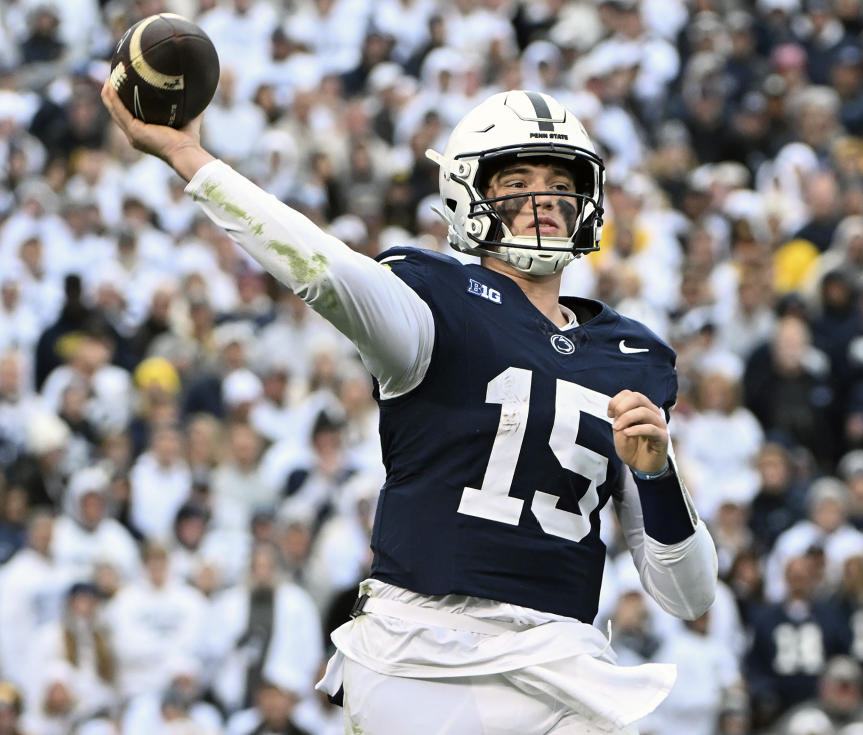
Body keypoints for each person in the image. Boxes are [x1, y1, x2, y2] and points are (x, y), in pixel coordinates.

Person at [101, 83, 717, 734]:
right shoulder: (433, 302)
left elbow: (688, 594)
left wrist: (657, 473)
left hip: (559, 656)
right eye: (517, 178)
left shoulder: (631, 354)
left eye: (559, 180)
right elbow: (322, 268)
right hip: (420, 649)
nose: (545, 197)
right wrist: (192, 159)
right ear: (469, 194)